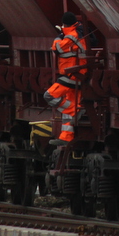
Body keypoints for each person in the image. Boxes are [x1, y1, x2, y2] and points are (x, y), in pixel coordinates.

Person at [44, 11, 87, 145]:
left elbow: (56, 48)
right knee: (68, 104)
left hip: (72, 75)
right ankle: (66, 137)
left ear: (65, 24)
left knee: (49, 96)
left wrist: (59, 36)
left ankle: (75, 110)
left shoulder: (72, 36)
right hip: (75, 74)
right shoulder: (75, 33)